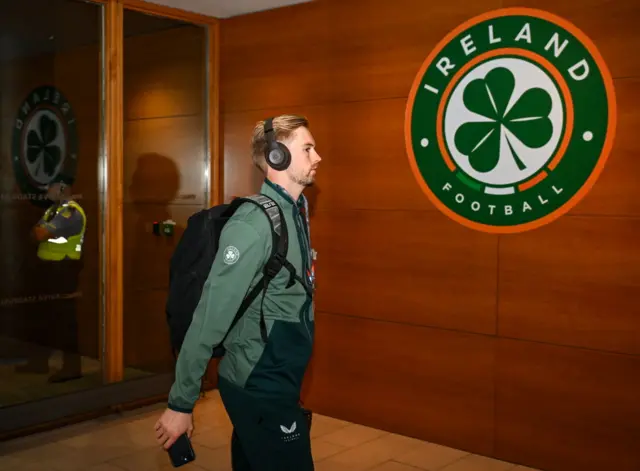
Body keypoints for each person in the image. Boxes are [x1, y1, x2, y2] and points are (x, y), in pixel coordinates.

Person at [155, 114, 321, 470]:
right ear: (277, 156)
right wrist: (181, 403)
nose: (317, 156)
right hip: (259, 382)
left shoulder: (295, 212)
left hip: (279, 376)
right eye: (307, 148)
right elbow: (209, 317)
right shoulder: (254, 226)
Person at [22, 177, 86, 383]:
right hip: (49, 270)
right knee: (44, 316)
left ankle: (71, 368)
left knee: (63, 320)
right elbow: (35, 233)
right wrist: (39, 232)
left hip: (63, 270)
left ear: (62, 189)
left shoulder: (70, 212)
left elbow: (39, 233)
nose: (46, 191)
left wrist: (40, 232)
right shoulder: (53, 211)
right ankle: (39, 362)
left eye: (49, 187)